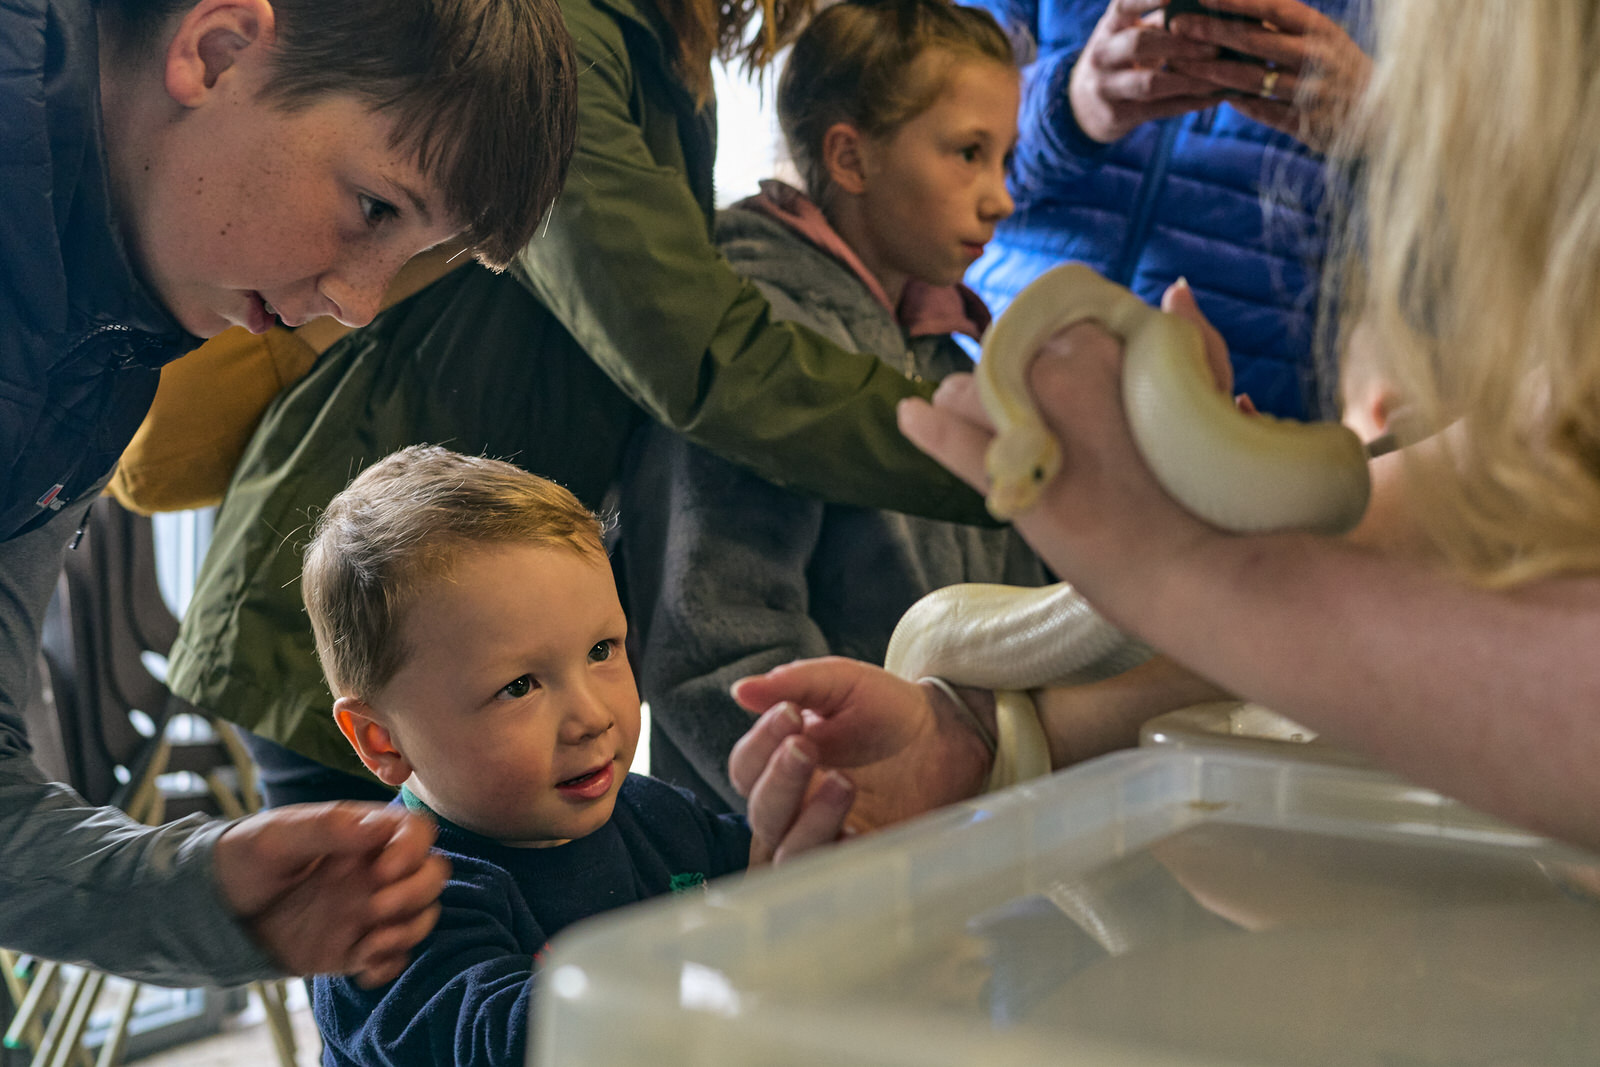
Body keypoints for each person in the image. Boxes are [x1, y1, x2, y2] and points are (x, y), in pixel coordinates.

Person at [728, 0, 1600, 856]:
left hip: (1209, 425)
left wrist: (1185, 575)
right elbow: (1471, 502)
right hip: (1114, 428)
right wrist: (989, 745)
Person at [162, 0, 1014, 806]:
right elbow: (696, 355)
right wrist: (1015, 464)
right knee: (423, 947)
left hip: (462, 611)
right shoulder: (566, 39)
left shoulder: (653, 46)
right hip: (375, 593)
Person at [0, 0, 575, 984]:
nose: (353, 305)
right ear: (216, 49)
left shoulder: (108, 361)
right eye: (373, 209)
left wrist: (194, 894)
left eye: (409, 257)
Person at [620, 0, 1049, 812]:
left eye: (1005, 160)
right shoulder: (760, 342)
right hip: (799, 858)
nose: (999, 199)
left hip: (961, 828)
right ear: (850, 158)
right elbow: (714, 638)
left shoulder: (950, 357)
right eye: (967, 153)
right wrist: (844, 802)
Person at [301, 447, 849, 1066]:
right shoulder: (386, 912)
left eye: (601, 650)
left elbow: (770, 872)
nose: (592, 717)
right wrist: (727, 949)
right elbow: (510, 1043)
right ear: (384, 740)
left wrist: (822, 835)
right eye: (519, 687)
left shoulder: (657, 818)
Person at [964, 0, 1369, 420]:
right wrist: (1067, 106)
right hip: (1002, 379)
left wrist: (1388, 132)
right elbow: (929, 147)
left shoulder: (1420, 21)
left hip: (1244, 425)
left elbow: (1429, 298)